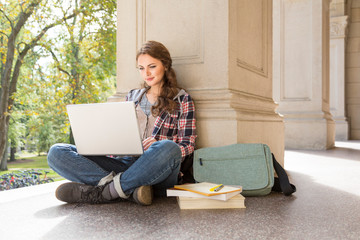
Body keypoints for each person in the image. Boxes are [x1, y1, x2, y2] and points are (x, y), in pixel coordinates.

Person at [47, 41, 196, 206]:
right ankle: (129, 190)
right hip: (126, 164)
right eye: (141, 68)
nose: (146, 73)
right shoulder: (133, 96)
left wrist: (159, 144)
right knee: (57, 152)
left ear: (165, 65)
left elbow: (187, 145)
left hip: (158, 169)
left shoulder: (182, 99)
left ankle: (104, 192)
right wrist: (104, 146)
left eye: (152, 66)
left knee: (169, 148)